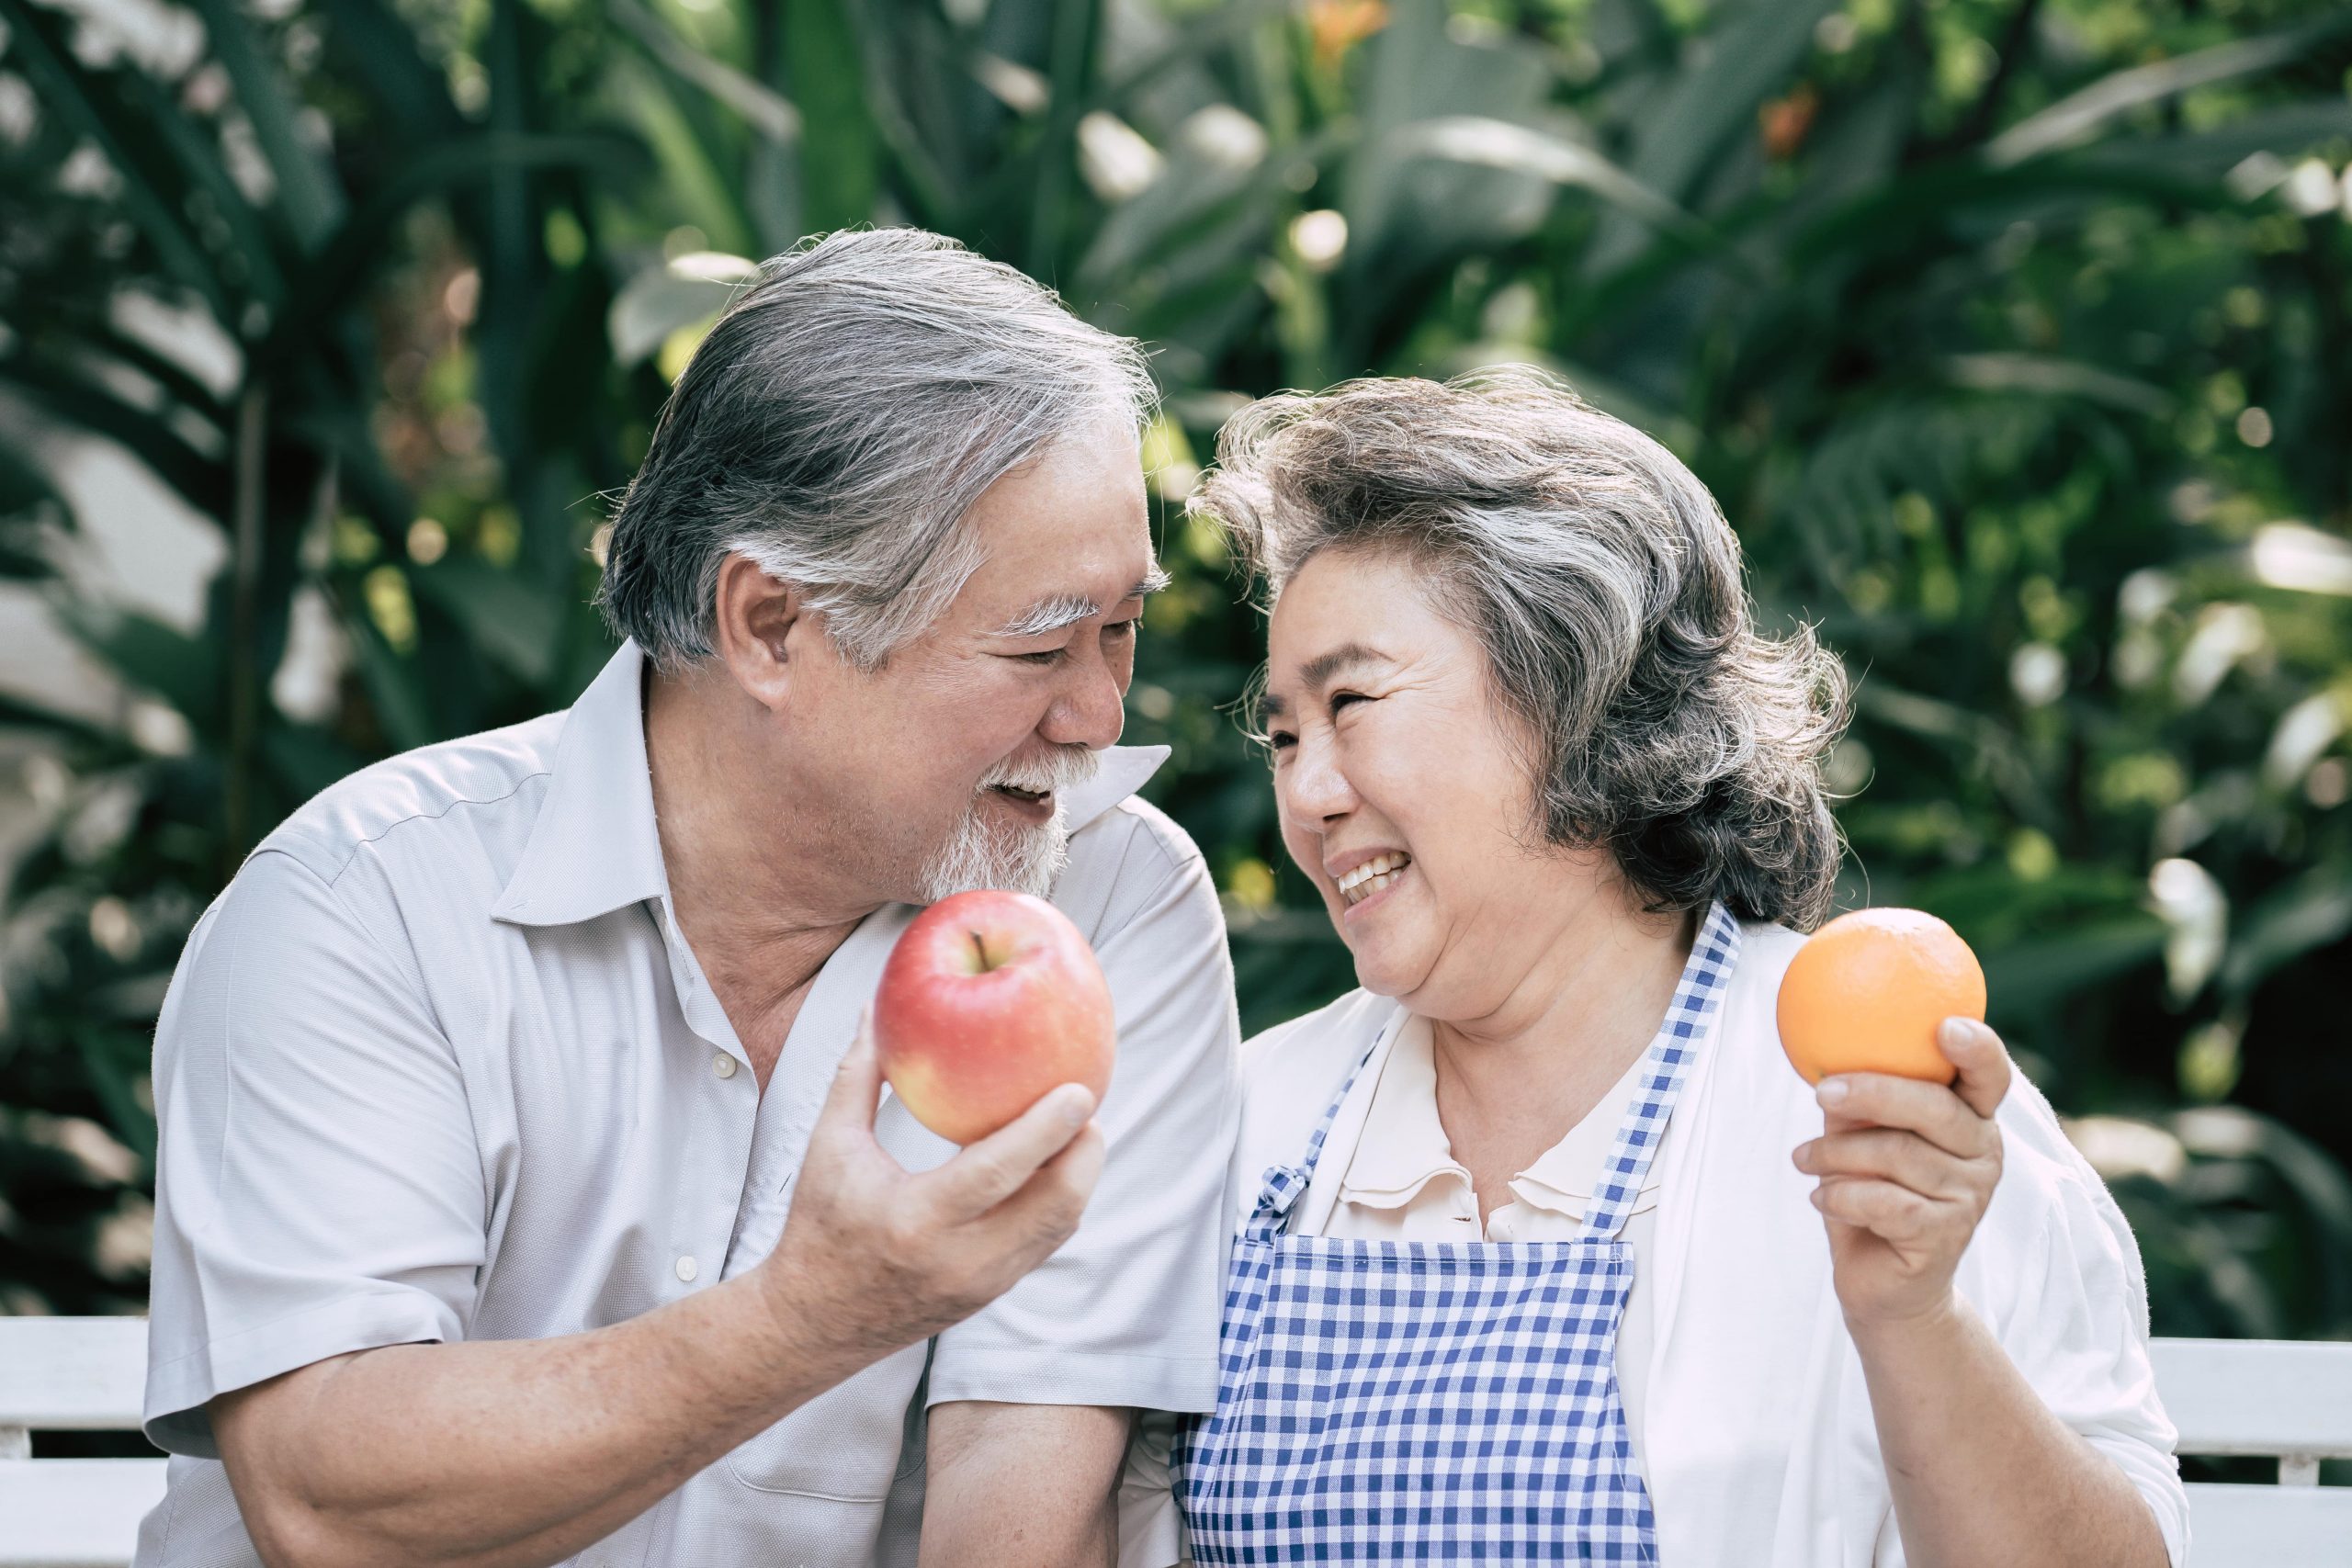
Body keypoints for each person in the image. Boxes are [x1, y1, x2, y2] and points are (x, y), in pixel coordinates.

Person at [136, 229, 1239, 1568]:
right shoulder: (364, 906)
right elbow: (327, 1499)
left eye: (1121, 629)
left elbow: (1025, 1511)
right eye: (1040, 645)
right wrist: (812, 1312)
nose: (1098, 715)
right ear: (770, 625)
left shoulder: (1113, 895)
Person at [1136, 369, 2186, 1565]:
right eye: (1284, 736)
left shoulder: (1882, 1117)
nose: (1309, 794)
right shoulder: (1253, 1124)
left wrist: (1914, 1316)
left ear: (1574, 702)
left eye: (1354, 702)